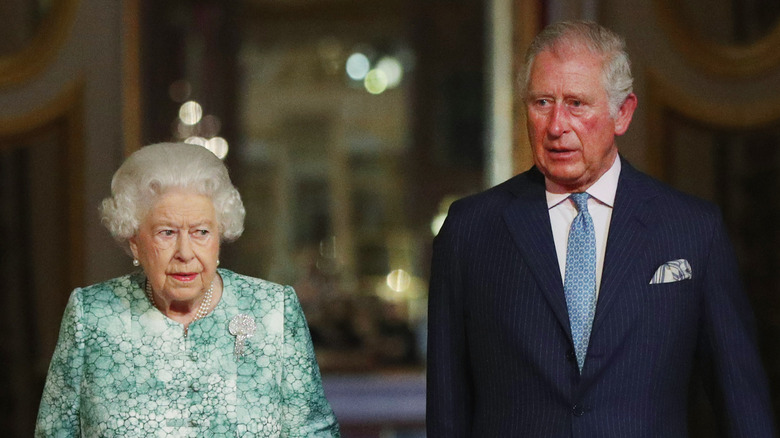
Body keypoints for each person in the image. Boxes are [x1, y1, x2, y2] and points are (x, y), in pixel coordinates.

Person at [426, 21, 776, 437]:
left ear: (622, 113)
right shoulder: (470, 231)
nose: (556, 125)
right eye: (542, 102)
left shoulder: (692, 230)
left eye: (576, 103)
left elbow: (742, 404)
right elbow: (447, 411)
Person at [36, 142, 340, 437]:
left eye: (201, 232)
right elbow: (54, 431)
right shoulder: (92, 315)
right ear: (135, 243)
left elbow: (314, 432)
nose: (185, 252)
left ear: (219, 236)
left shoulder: (273, 310)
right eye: (166, 232)